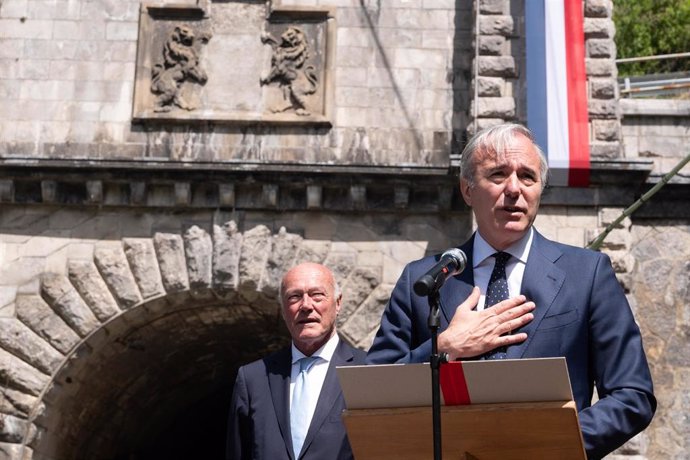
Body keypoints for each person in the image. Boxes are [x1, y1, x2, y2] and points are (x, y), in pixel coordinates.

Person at [366, 123, 656, 459]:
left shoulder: (586, 274)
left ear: (539, 191)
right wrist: (443, 347)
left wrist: (549, 444)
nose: (514, 189)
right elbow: (372, 394)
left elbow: (632, 395)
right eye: (498, 175)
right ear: (467, 189)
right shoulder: (424, 281)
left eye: (527, 177)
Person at [227, 262, 366, 460]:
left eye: (317, 295)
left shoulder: (367, 370)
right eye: (295, 297)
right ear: (283, 310)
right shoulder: (253, 379)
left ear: (338, 303)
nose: (306, 306)